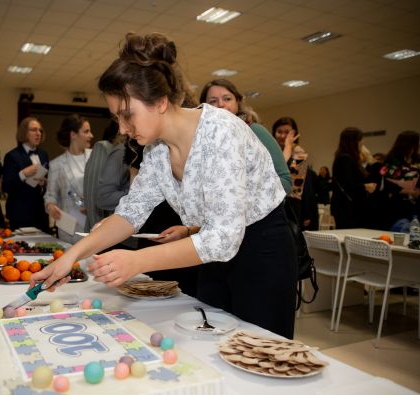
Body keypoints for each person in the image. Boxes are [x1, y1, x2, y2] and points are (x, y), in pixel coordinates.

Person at [32, 33, 296, 339]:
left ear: (160, 102)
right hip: (209, 254)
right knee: (209, 342)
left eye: (127, 114)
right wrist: (71, 256)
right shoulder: (155, 151)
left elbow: (224, 238)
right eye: (116, 116)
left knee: (260, 350)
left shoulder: (221, 132)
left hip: (262, 251)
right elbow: (130, 213)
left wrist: (136, 261)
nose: (122, 127)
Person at [199, 79, 291, 194]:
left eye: (227, 99)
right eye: (213, 101)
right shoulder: (202, 140)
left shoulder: (255, 131)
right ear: (204, 107)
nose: (221, 104)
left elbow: (286, 181)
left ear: (237, 102)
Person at [44, 114, 93, 243]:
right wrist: (50, 206)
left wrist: (94, 205)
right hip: (69, 229)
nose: (91, 136)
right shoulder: (56, 164)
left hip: (94, 225)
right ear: (73, 135)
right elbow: (50, 195)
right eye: (86, 131)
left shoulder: (95, 157)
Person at [2, 117, 50, 232]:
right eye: (33, 130)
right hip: (20, 214)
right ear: (24, 132)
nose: (38, 133)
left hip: (40, 214)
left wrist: (44, 183)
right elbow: (6, 186)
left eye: (40, 130)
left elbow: (48, 184)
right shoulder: (12, 156)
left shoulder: (44, 154)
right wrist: (23, 174)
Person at [272, 117, 318, 230]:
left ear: (294, 134)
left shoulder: (298, 153)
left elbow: (296, 184)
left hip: (293, 205)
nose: (283, 136)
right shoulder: (272, 150)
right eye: (279, 132)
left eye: (287, 132)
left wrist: (307, 211)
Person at [330, 127, 377, 229]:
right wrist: (365, 186)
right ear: (353, 141)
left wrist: (368, 159)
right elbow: (347, 184)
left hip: (349, 206)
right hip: (347, 208)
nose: (362, 142)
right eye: (360, 139)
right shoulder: (345, 158)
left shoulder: (349, 158)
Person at [379, 130, 420, 229]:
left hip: (416, 205)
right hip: (398, 207)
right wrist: (408, 191)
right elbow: (389, 186)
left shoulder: (417, 159)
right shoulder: (393, 160)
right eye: (417, 142)